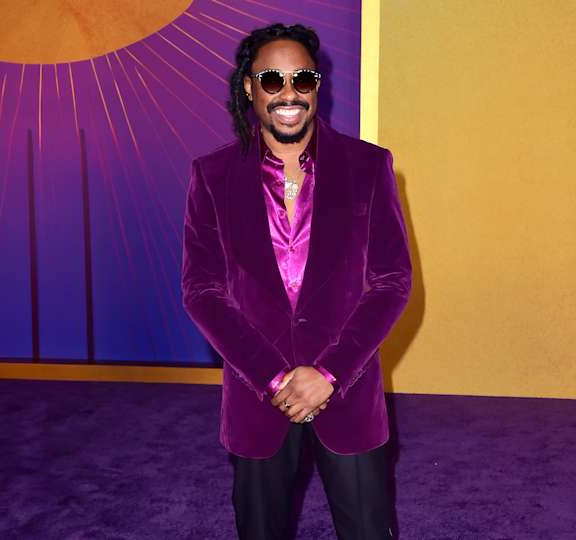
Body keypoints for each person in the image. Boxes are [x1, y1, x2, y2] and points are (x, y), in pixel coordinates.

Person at [181, 22, 411, 540]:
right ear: (249, 87)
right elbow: (202, 291)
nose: (289, 93)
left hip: (347, 391)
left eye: (302, 78)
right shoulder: (212, 175)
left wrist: (329, 373)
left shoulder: (369, 166)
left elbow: (392, 281)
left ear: (317, 85)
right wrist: (273, 379)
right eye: (272, 80)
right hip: (257, 396)